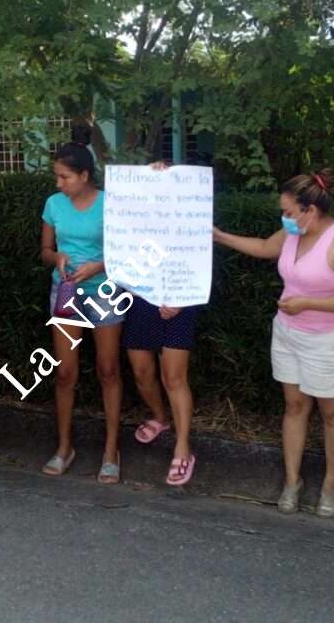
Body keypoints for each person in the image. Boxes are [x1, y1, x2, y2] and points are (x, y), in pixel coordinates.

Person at [214, 169, 334, 517]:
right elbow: (265, 248)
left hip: (331, 340)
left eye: (287, 211)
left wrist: (307, 304)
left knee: (333, 414)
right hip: (288, 333)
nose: (283, 218)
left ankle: (330, 485)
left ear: (309, 210)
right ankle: (292, 480)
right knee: (295, 406)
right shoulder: (292, 233)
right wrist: (221, 237)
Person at [40, 127, 125, 484]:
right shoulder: (53, 204)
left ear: (85, 175)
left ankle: (110, 451)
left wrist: (100, 266)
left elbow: (126, 250)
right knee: (64, 373)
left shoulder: (111, 202)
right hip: (66, 292)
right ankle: (64, 447)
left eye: (65, 177)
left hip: (105, 291)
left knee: (108, 369)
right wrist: (57, 257)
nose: (59, 183)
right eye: (57, 176)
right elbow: (44, 251)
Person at [126, 161, 201, 486]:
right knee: (142, 372)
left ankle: (183, 449)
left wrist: (181, 298)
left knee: (174, 377)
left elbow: (200, 261)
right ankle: (160, 418)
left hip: (180, 301)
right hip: (141, 299)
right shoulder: (136, 218)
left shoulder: (191, 217)